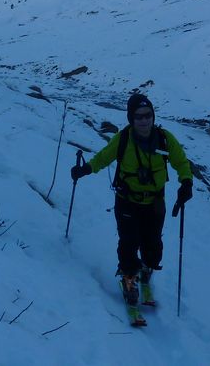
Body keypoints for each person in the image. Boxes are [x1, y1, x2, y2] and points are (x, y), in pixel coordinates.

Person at [70, 93, 193, 321]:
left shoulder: (165, 139)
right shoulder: (123, 139)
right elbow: (104, 157)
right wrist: (85, 169)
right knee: (128, 242)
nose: (144, 120)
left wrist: (186, 182)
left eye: (148, 115)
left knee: (153, 246)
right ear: (131, 118)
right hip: (127, 200)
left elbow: (181, 161)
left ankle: (146, 272)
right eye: (139, 117)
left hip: (155, 202)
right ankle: (129, 278)